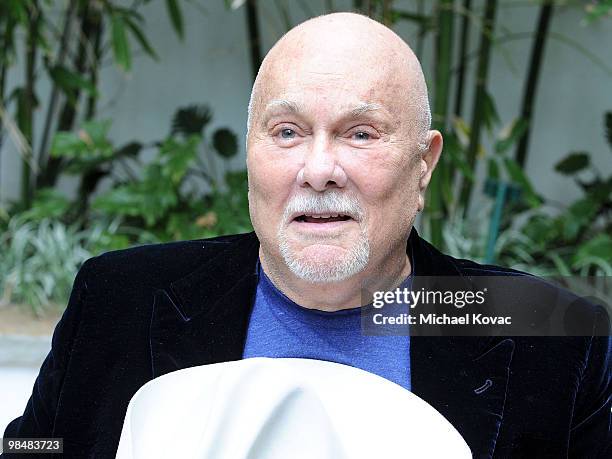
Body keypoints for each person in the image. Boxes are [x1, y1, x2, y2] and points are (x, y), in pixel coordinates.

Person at [2, 12, 610, 458]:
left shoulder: (545, 331)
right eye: (288, 132)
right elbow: (38, 447)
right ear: (251, 155)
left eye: (361, 133)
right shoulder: (122, 297)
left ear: (423, 164)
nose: (318, 169)